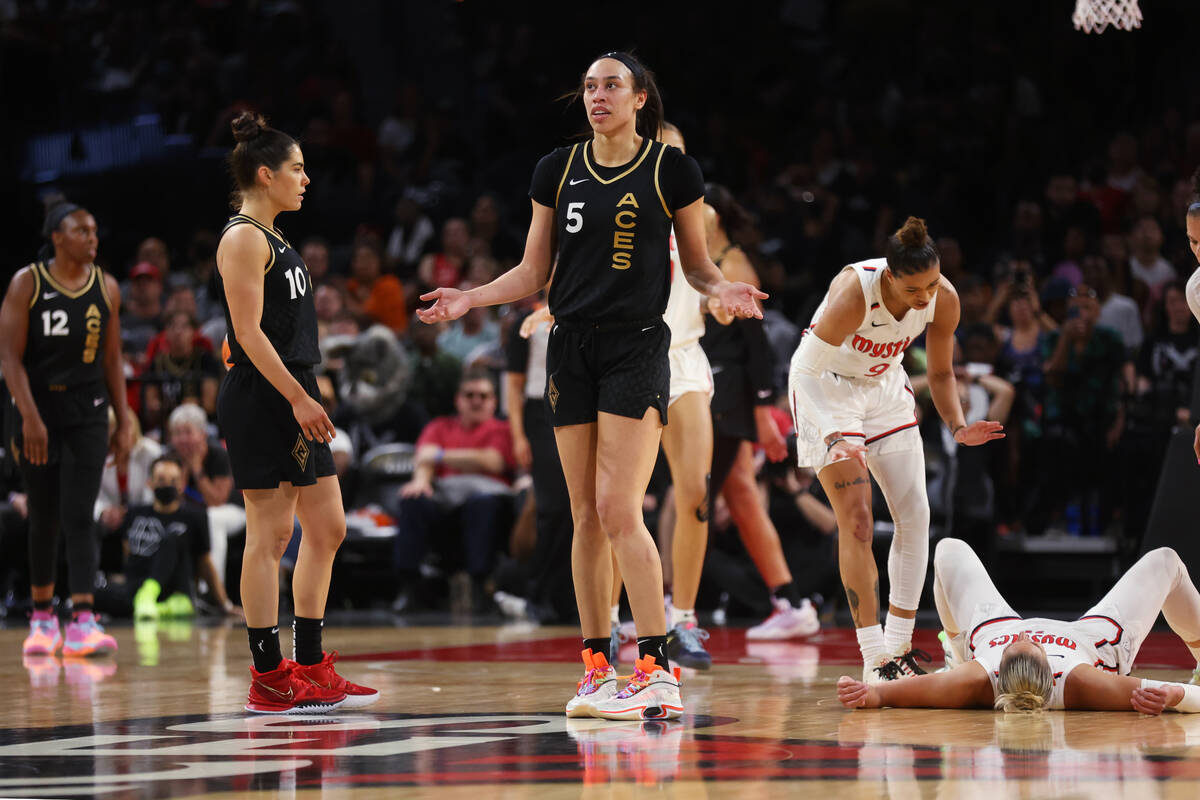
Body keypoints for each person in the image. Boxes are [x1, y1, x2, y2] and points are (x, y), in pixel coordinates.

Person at [417, 51, 765, 721]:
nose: (597, 96)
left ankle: (658, 668)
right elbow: (530, 269)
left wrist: (723, 287)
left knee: (617, 508)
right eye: (589, 87)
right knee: (583, 514)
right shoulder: (558, 168)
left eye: (611, 86)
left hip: (636, 345)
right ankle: (597, 668)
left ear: (639, 99)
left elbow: (694, 267)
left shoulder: (672, 169)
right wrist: (471, 298)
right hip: (569, 347)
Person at [788, 216, 1004, 683]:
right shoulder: (854, 292)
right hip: (828, 390)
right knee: (859, 521)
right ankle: (873, 659)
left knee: (915, 517)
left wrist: (958, 426)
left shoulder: (943, 297)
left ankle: (898, 649)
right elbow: (802, 371)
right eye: (914, 290)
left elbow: (943, 373)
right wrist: (832, 435)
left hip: (884, 387)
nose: (925, 297)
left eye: (931, 284)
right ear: (890, 277)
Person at [214, 110, 377, 714]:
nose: (306, 179)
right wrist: (300, 395)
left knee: (328, 526)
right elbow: (249, 335)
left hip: (294, 388)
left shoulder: (275, 235)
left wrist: (308, 386)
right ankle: (268, 674)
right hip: (266, 394)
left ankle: (310, 662)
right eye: (298, 169)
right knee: (271, 533)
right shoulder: (243, 237)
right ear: (265, 174)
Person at [836, 537, 1200, 713]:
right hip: (1090, 642)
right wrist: (1175, 696)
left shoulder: (978, 677)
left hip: (992, 631)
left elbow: (889, 694)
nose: (1027, 632)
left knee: (948, 550)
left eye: (1019, 642)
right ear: (1052, 668)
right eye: (1032, 642)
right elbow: (1185, 698)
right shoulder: (1080, 682)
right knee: (1166, 561)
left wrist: (872, 694)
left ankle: (957, 651)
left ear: (996, 667)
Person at [0, 201, 132, 657]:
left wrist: (124, 417)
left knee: (80, 513)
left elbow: (112, 359)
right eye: (82, 230)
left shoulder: (107, 287)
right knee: (44, 514)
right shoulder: (27, 283)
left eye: (95, 231)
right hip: (37, 408)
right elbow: (10, 360)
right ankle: (41, 618)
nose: (92, 238)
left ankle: (82, 620)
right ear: (57, 236)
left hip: (89, 411)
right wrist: (30, 417)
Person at [702, 183, 818, 642]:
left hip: (725, 395)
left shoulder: (731, 263)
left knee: (698, 498)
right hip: (716, 391)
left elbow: (758, 347)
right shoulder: (707, 264)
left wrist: (765, 410)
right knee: (738, 496)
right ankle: (788, 599)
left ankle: (675, 607)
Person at [390, 368, 515, 613]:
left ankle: (480, 588)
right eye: (470, 395)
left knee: (482, 504)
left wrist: (440, 455)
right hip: (446, 505)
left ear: (494, 402)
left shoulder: (502, 429)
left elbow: (493, 461)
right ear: (458, 400)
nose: (476, 401)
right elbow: (423, 460)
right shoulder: (440, 426)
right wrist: (420, 481)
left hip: (487, 504)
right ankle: (410, 587)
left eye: (483, 395)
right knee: (413, 500)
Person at [95, 455, 239, 620]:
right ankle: (157, 607)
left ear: (182, 484)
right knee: (93, 594)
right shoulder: (134, 513)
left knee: (174, 536)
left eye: (174, 480)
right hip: (136, 585)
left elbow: (205, 562)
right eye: (161, 480)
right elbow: (128, 554)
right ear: (149, 482)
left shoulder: (195, 517)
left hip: (173, 587)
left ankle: (153, 599)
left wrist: (224, 604)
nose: (168, 485)